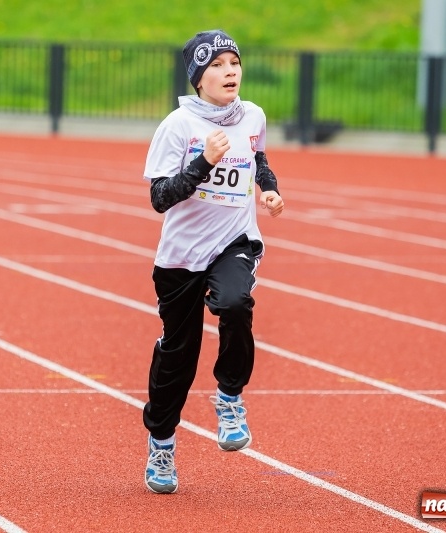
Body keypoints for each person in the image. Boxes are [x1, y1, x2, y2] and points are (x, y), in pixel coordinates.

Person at [141, 29, 285, 494]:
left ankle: (229, 396)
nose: (230, 72)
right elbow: (160, 198)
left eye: (234, 63)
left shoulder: (253, 116)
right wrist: (202, 162)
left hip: (234, 241)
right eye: (218, 66)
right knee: (177, 358)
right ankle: (161, 444)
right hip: (181, 257)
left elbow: (258, 158)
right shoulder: (178, 127)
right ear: (199, 78)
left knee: (236, 302)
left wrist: (268, 188)